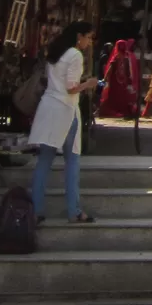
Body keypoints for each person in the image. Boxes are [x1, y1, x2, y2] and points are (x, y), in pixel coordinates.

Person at [29, 22, 98, 224]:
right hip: (66, 110)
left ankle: (36, 210)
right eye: (89, 37)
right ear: (79, 36)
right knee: (72, 162)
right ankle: (74, 211)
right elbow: (71, 88)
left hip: (48, 107)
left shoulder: (56, 53)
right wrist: (89, 83)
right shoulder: (75, 55)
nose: (89, 41)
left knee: (44, 161)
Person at [98, 38, 139, 118]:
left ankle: (116, 111)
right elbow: (127, 72)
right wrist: (129, 82)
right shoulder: (124, 58)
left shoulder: (116, 57)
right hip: (119, 81)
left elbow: (111, 70)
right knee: (119, 96)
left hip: (117, 81)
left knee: (116, 96)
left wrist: (105, 79)